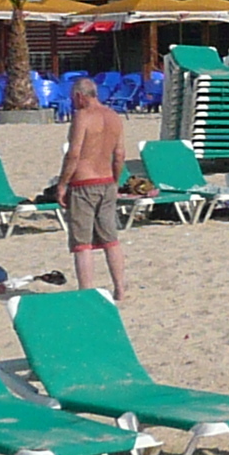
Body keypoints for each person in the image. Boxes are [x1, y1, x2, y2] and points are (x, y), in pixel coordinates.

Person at [58, 74, 127, 302]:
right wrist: (115, 181)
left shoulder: (82, 116)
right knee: (111, 240)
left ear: (79, 96)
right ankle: (120, 289)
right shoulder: (114, 116)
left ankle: (87, 292)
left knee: (82, 243)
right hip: (107, 181)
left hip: (83, 183)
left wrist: (62, 184)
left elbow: (74, 154)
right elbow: (119, 155)